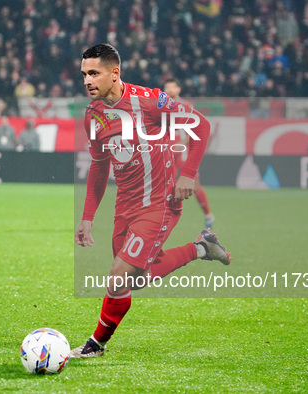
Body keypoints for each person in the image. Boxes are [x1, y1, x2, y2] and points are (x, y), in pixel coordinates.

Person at [72, 43, 231, 358]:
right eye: (84, 74)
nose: (87, 80)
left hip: (160, 204)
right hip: (125, 206)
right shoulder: (93, 115)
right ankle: (202, 247)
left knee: (119, 274)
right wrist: (87, 217)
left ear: (114, 73)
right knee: (137, 279)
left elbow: (200, 124)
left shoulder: (149, 100)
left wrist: (188, 175)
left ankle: (96, 345)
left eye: (94, 73)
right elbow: (99, 166)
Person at [164, 78, 215, 229]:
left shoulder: (186, 105)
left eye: (172, 87)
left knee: (193, 184)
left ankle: (208, 214)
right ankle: (164, 217)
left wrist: (184, 142)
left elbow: (193, 127)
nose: (169, 90)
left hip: (183, 151)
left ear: (178, 89)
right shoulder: (161, 105)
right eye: (166, 87)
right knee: (165, 185)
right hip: (168, 151)